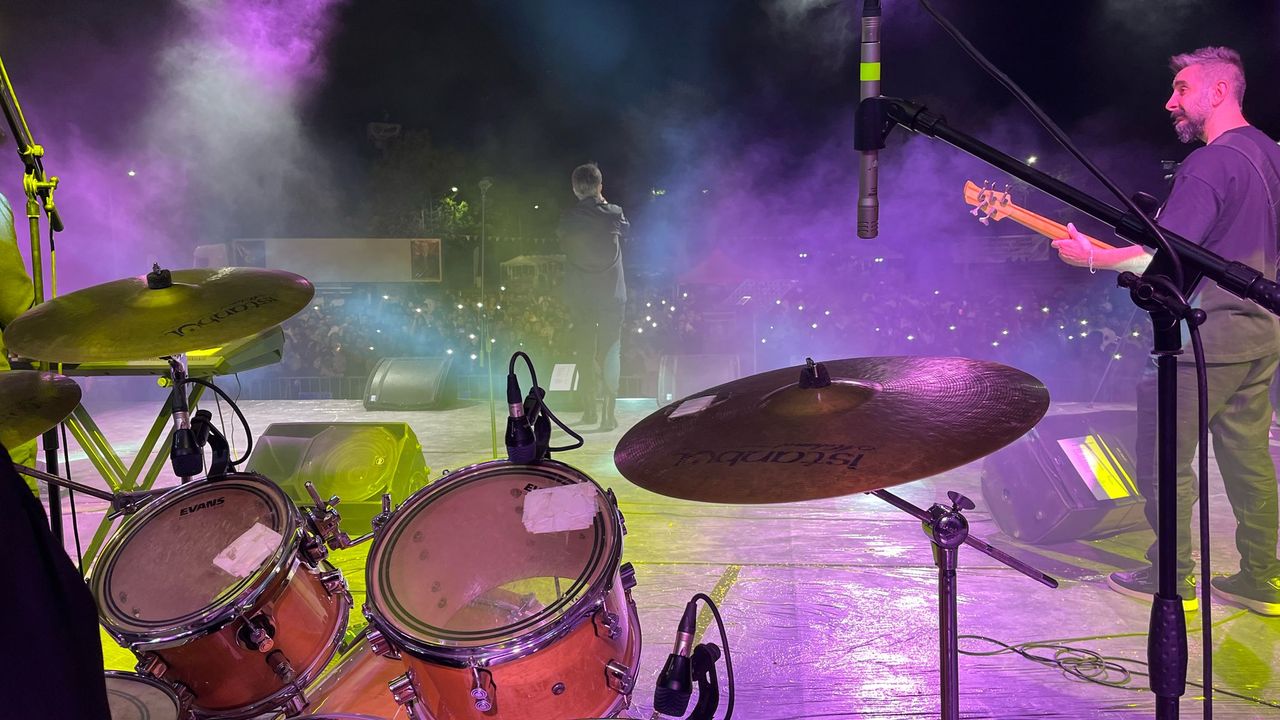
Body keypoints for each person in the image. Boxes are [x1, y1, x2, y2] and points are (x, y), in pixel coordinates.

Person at [1053, 46, 1280, 615]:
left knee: (1164, 459)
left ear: (1219, 91)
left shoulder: (1210, 163)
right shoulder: (1271, 152)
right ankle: (1263, 578)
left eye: (1182, 89)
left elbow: (1167, 259)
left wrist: (1091, 257)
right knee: (1249, 459)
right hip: (1262, 333)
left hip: (1208, 337)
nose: (1169, 102)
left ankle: (1172, 579)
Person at [557, 162, 629, 431]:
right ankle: (608, 415)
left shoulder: (568, 219)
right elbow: (627, 231)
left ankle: (589, 410)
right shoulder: (614, 213)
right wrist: (603, 202)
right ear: (600, 186)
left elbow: (563, 243)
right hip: (612, 295)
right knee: (611, 351)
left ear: (575, 190)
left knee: (585, 350)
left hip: (581, 296)